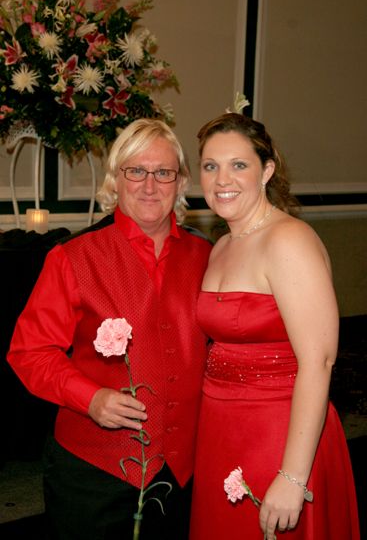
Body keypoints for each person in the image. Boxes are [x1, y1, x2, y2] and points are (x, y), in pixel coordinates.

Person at [7, 118, 212, 540]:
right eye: (135, 171)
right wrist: (91, 397)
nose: (149, 185)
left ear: (181, 181)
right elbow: (29, 352)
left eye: (163, 172)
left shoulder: (208, 256)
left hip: (184, 474)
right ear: (116, 180)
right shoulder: (72, 257)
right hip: (92, 475)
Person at [189, 112, 360, 539]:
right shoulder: (223, 245)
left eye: (238, 165)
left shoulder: (289, 240)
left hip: (280, 435)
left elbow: (318, 361)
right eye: (211, 166)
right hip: (221, 430)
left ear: (266, 170)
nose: (222, 178)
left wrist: (294, 476)